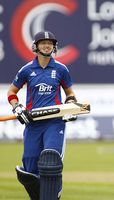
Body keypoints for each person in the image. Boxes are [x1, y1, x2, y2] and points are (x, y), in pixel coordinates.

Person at [7, 31, 77, 200]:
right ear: (36, 46)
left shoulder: (61, 69)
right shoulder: (27, 70)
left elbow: (70, 94)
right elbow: (11, 92)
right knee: (29, 170)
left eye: (50, 43)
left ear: (54, 47)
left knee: (50, 160)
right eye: (43, 43)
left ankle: (54, 196)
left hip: (54, 123)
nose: (47, 46)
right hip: (33, 124)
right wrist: (17, 107)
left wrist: (70, 106)